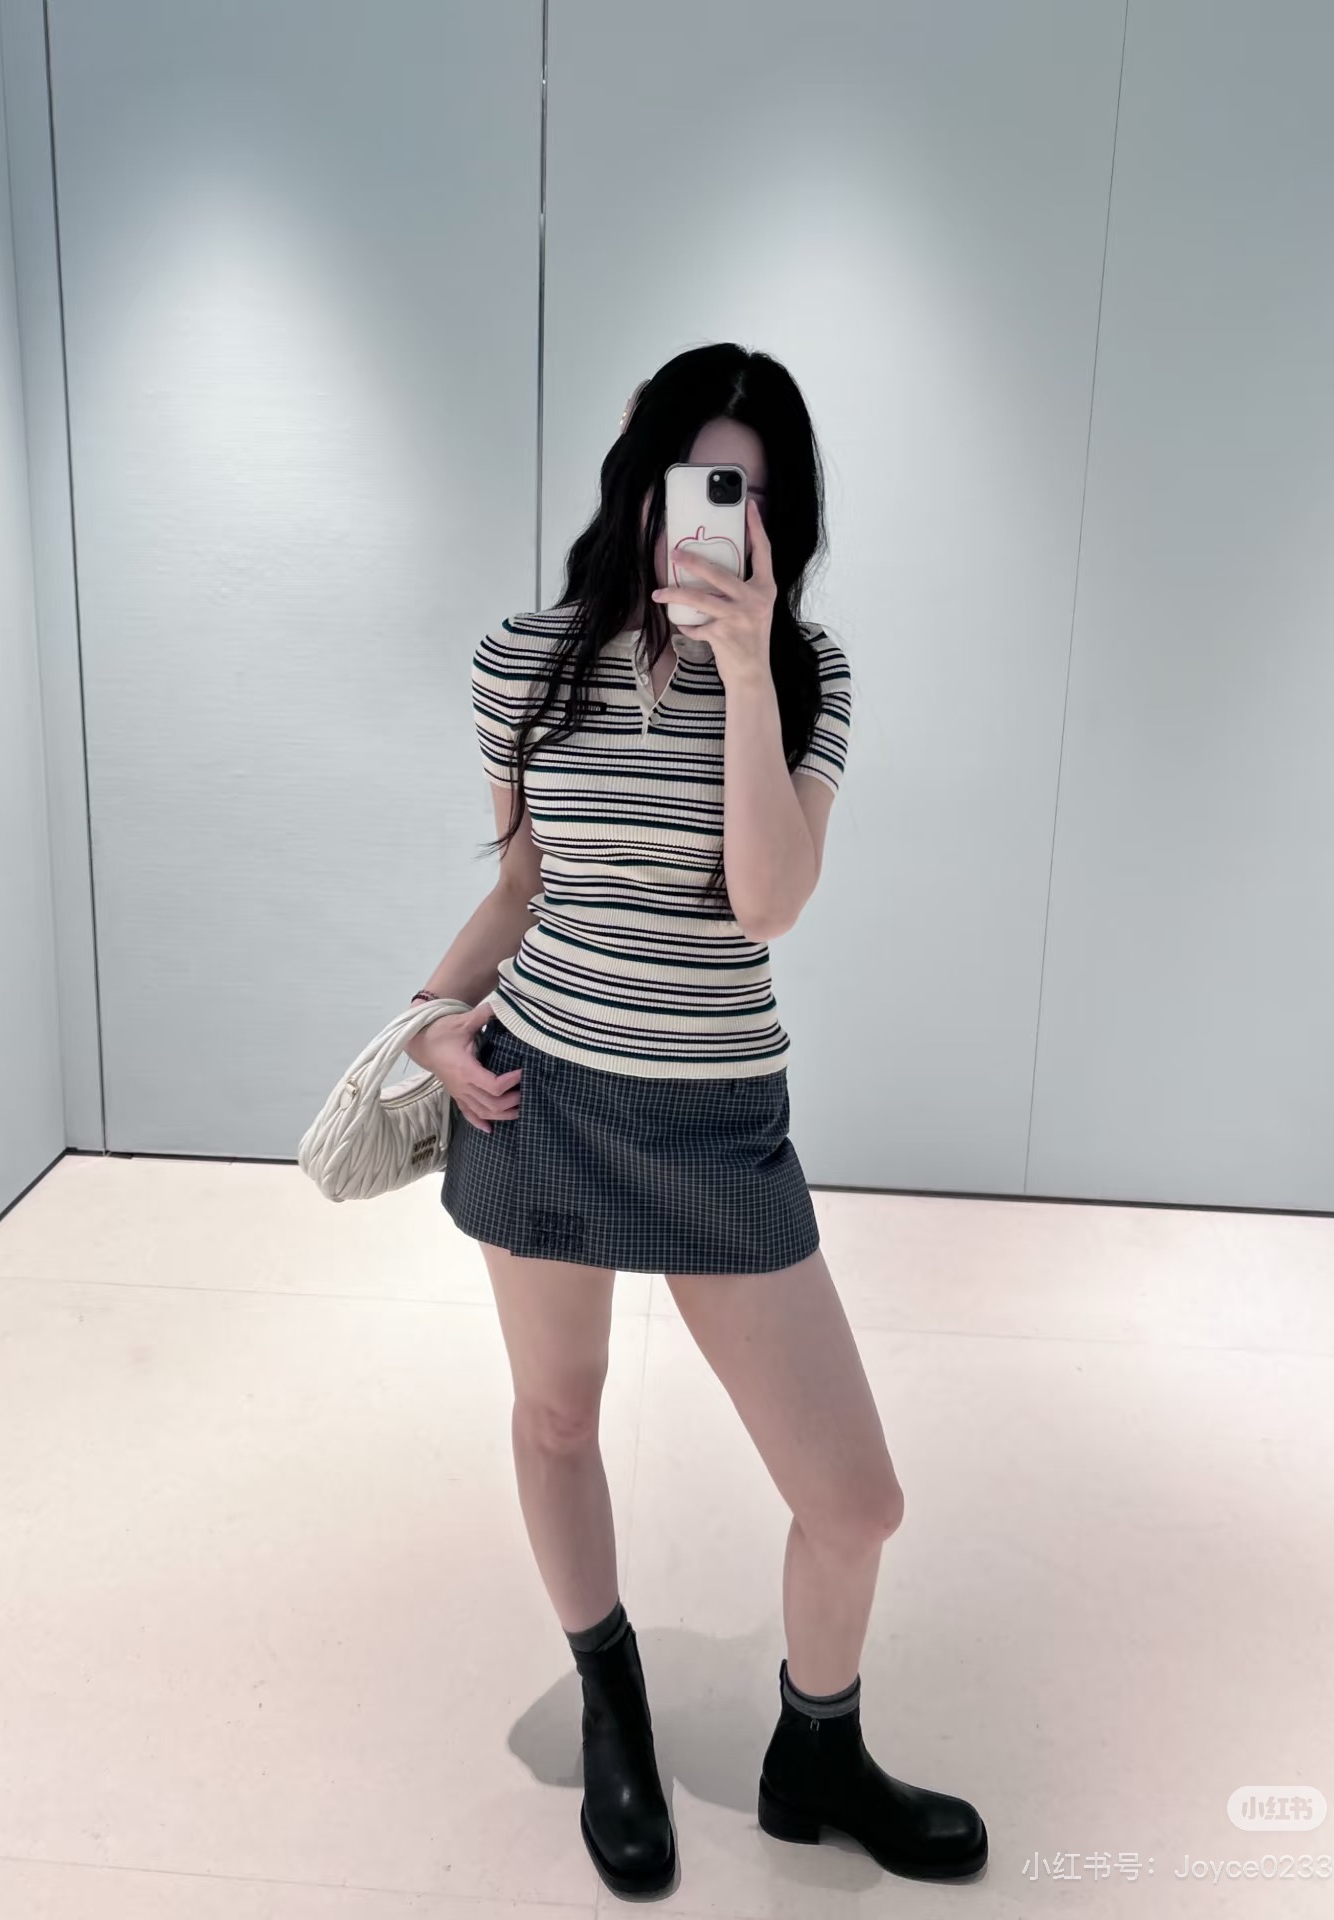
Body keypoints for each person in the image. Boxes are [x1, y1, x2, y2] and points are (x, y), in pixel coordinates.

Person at [404, 343, 987, 1898]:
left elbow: (767, 904)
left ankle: (819, 1751)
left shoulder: (807, 674)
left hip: (720, 1119)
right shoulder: (522, 662)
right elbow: (525, 885)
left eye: (758, 494)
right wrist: (429, 1018)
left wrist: (741, 670)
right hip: (540, 1092)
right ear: (641, 473)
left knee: (856, 1500)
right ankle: (614, 1705)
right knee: (557, 1419)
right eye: (704, 479)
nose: (724, 515)